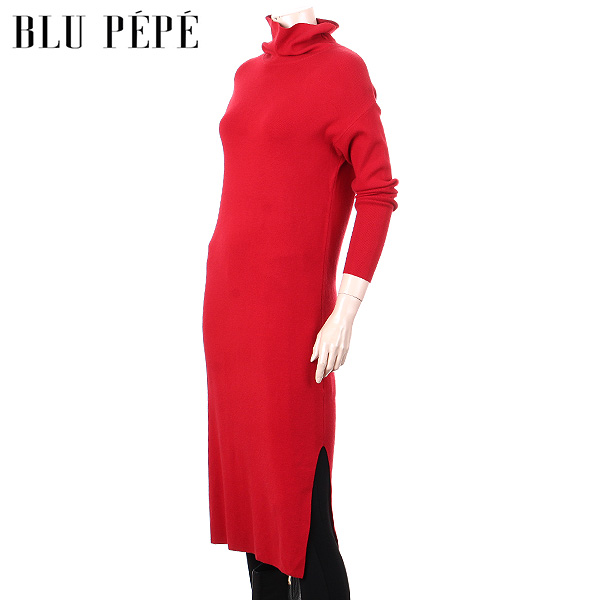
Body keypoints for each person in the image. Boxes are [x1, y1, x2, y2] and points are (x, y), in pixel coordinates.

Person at [202, 6, 399, 598]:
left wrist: (345, 311)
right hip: (227, 311)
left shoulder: (343, 71)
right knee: (255, 515)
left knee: (303, 516)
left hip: (291, 323)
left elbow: (377, 193)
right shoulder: (247, 73)